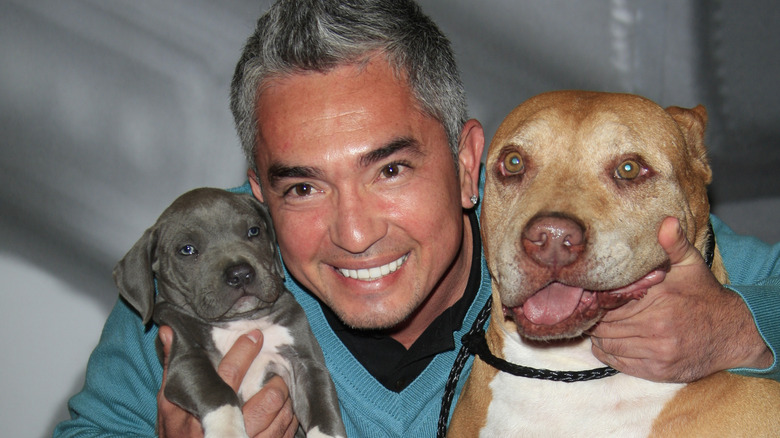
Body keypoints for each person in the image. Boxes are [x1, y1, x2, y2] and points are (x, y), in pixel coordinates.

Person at [54, 1, 780, 437]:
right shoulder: (198, 304)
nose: (357, 232)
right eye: (303, 188)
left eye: (391, 169)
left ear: (469, 163)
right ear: (259, 197)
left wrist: (737, 325)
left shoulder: (584, 257)